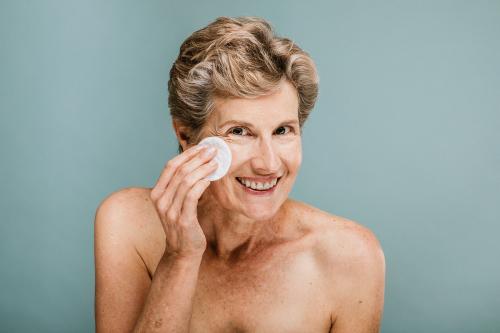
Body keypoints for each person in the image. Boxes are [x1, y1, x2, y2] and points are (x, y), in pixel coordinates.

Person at [94, 16, 385, 333]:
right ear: (186, 135)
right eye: (239, 131)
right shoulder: (128, 224)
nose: (268, 164)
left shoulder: (350, 257)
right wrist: (180, 257)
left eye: (282, 130)